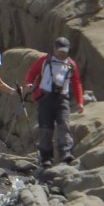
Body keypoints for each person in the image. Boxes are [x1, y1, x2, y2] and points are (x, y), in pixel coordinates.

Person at [22, 37, 84, 167]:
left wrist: (80, 101)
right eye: (60, 50)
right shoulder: (45, 60)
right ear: (54, 49)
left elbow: (76, 82)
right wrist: (28, 84)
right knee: (45, 129)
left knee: (64, 125)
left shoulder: (70, 64)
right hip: (45, 98)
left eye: (65, 51)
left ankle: (65, 153)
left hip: (62, 99)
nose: (62, 54)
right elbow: (32, 73)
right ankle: (46, 158)